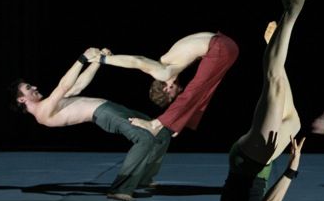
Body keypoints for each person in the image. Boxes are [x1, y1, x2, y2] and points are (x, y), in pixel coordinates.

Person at [200, 0, 319, 201]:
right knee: (293, 120)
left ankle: (291, 11)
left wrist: (291, 170)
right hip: (256, 167)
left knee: (274, 80)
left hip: (250, 162)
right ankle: (273, 45)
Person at [9, 48, 169, 201]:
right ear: (21, 99)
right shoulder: (42, 113)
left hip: (112, 108)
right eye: (28, 88)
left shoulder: (48, 102)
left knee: (162, 131)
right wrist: (82, 59)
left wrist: (98, 61)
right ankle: (120, 190)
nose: (34, 87)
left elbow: (78, 85)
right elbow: (63, 86)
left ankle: (144, 178)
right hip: (105, 114)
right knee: (144, 139)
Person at [92, 32, 239, 185]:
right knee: (203, 90)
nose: (178, 91)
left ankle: (156, 124)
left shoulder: (162, 72)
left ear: (166, 89)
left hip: (221, 47)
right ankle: (179, 122)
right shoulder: (169, 62)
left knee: (193, 90)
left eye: (173, 97)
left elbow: (137, 60)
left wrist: (103, 59)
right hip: (225, 42)